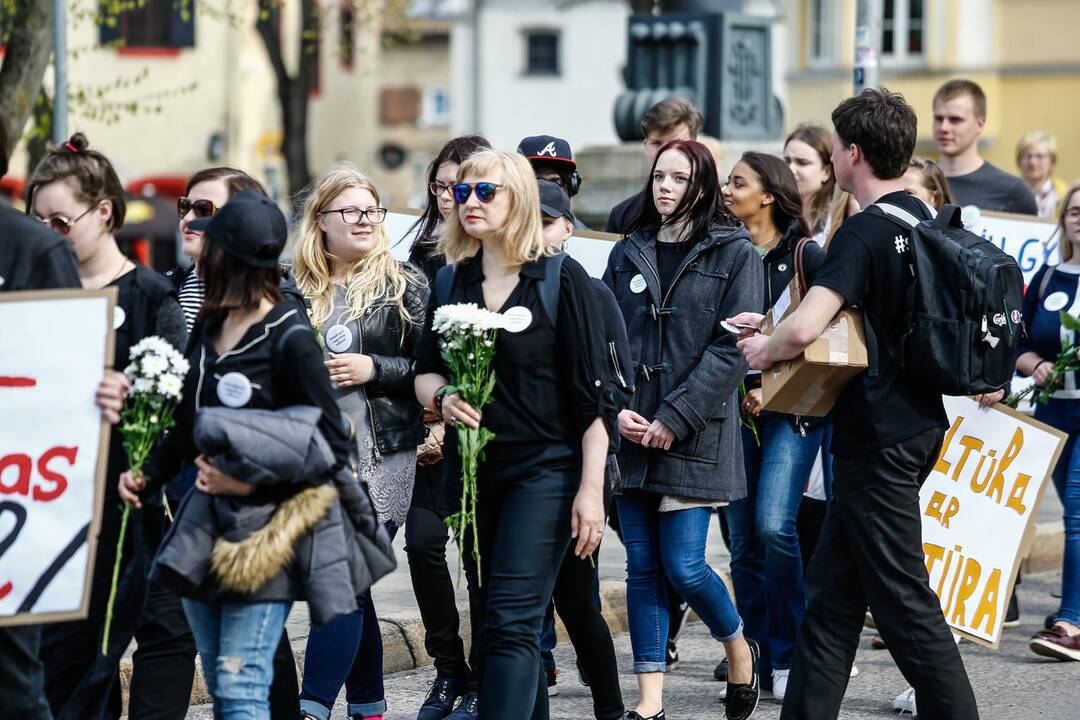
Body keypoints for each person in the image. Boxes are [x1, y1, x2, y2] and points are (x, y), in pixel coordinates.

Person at [730, 87, 980, 720]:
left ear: (854, 154)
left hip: (879, 439)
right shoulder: (923, 220)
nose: (836, 155)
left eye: (838, 146)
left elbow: (807, 326)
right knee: (833, 601)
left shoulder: (865, 232)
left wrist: (761, 349)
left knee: (906, 604)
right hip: (917, 426)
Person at [117, 190, 367, 720]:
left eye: (211, 243)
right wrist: (148, 473)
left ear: (229, 258)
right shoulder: (209, 325)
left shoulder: (289, 333)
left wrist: (247, 482)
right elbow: (185, 424)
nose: (198, 247)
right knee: (217, 663)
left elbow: (330, 440)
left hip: (266, 528)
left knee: (240, 684)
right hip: (202, 523)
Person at [414, 149, 611, 720]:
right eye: (461, 192)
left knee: (511, 620)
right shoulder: (452, 278)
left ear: (519, 198)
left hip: (545, 470)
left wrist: (590, 492)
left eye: (486, 192)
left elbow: (594, 401)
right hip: (474, 474)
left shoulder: (561, 278)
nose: (469, 201)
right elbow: (426, 368)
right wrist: (442, 397)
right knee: (497, 621)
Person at [27, 133, 187, 720]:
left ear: (104, 212)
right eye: (37, 220)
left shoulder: (150, 297)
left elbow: (178, 408)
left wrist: (138, 402)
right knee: (49, 655)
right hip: (44, 496)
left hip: (124, 505)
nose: (49, 233)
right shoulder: (30, 292)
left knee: (95, 657)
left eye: (61, 221)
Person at [604, 138, 763, 720]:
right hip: (632, 429)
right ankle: (650, 701)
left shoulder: (735, 252)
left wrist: (676, 416)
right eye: (657, 177)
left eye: (678, 178)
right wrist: (616, 406)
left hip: (694, 431)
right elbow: (609, 341)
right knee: (641, 568)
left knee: (686, 566)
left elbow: (733, 349)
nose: (664, 187)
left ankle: (739, 646)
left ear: (703, 184)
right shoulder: (629, 250)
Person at [0, 116, 130, 720]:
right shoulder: (38, 248)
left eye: (62, 217)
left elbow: (57, 381)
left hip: (31, 495)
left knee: (27, 669)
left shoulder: (31, 250)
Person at [292, 166, 428, 720]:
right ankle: (369, 706)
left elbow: (430, 367)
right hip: (313, 460)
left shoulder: (406, 284)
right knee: (357, 587)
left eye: (372, 210)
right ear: (320, 221)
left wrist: (374, 366)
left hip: (382, 456)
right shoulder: (291, 287)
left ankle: (312, 706)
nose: (365, 220)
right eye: (350, 211)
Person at [720, 152, 825, 702]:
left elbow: (832, 339)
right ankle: (752, 655)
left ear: (768, 195)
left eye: (738, 182)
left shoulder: (807, 255)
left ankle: (789, 653)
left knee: (773, 527)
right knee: (741, 545)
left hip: (795, 413)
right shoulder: (724, 250)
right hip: (729, 412)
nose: (726, 189)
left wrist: (772, 387)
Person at [403, 134, 491, 720]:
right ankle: (447, 667)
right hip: (429, 431)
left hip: (486, 436)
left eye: (458, 188)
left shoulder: (497, 258)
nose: (447, 199)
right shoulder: (416, 259)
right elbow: (411, 352)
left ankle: (487, 676)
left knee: (482, 559)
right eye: (438, 187)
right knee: (423, 544)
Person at [537, 179, 628, 719]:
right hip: (522, 465)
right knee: (521, 611)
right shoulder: (498, 285)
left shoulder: (589, 290)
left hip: (580, 464)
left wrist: (592, 483)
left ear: (568, 229)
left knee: (577, 601)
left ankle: (611, 707)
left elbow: (616, 384)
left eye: (548, 221)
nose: (537, 230)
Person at [1018, 182, 1080, 662]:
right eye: (1074, 212)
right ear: (1063, 221)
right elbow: (1017, 342)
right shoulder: (1045, 278)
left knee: (1077, 513)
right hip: (1051, 410)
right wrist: (1033, 362)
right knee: (1070, 506)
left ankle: (1071, 622)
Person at [166, 167, 269, 332]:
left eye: (203, 209)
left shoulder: (270, 296)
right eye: (184, 207)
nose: (187, 219)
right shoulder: (164, 288)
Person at [932, 79, 1037, 214]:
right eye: (938, 119)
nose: (944, 127)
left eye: (955, 120)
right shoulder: (914, 182)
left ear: (980, 124)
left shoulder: (1013, 192)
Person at [606, 97, 703, 236]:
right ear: (645, 145)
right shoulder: (622, 215)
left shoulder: (715, 212)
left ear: (695, 146)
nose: (665, 152)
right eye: (657, 143)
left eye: (675, 143)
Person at [518, 134, 589, 229]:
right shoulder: (496, 236)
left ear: (572, 187)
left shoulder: (591, 242)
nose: (547, 191)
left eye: (555, 183)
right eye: (538, 183)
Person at [783, 124, 835, 243]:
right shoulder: (773, 212)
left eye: (802, 163)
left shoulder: (839, 218)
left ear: (826, 172)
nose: (790, 169)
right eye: (787, 161)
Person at [1016, 131, 1069, 219]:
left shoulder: (1065, 195)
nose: (1032, 162)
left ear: (1052, 161)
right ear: (1019, 161)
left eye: (1039, 156)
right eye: (1027, 156)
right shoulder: (1008, 192)